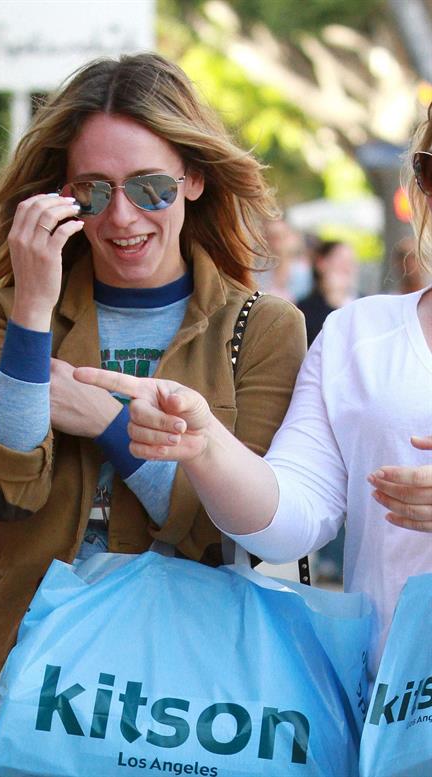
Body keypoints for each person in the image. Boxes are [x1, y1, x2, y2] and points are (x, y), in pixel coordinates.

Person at [0, 53, 307, 772]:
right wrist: (35, 308)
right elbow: (0, 484)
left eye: (152, 187)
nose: (123, 216)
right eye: (93, 191)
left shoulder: (261, 328)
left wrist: (104, 418)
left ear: (194, 179)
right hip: (12, 686)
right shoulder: (6, 310)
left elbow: (225, 523)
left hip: (177, 709)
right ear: (61, 194)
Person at [76, 102, 432, 688]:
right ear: (419, 184)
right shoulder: (358, 336)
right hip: (395, 718)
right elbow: (287, 520)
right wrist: (206, 443)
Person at [297, 239, 358, 346]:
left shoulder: (362, 303)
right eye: (341, 260)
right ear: (321, 263)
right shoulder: (304, 310)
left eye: (350, 262)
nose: (347, 267)